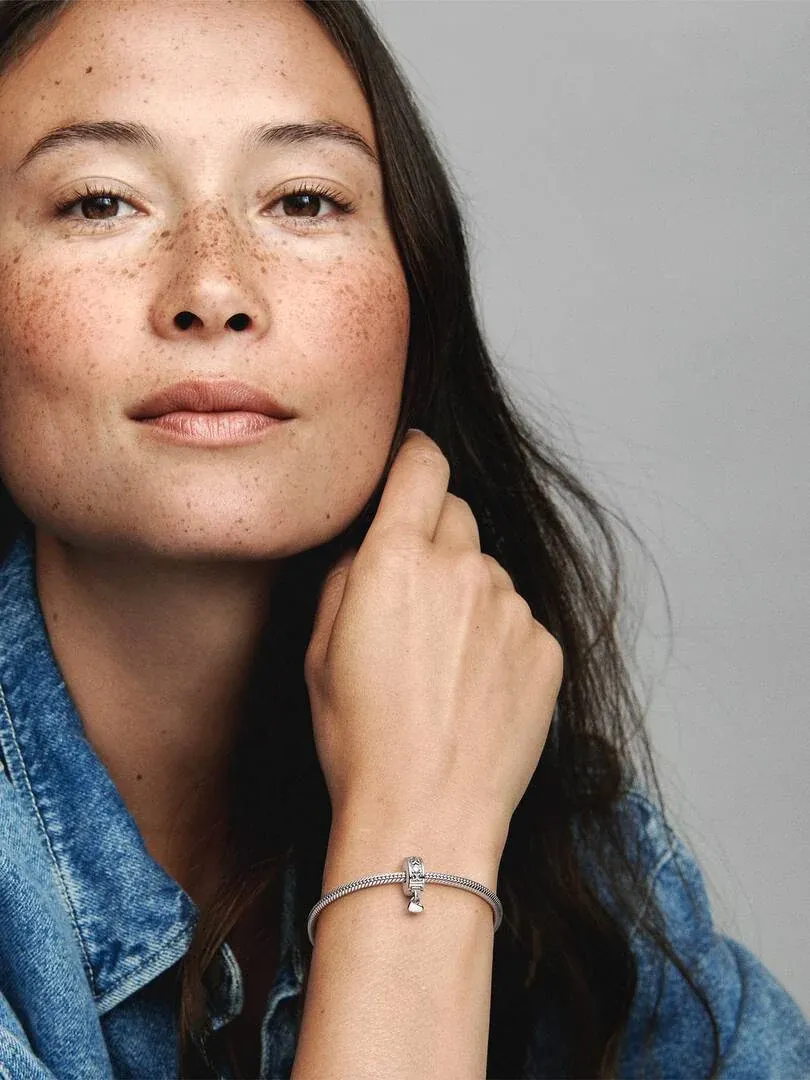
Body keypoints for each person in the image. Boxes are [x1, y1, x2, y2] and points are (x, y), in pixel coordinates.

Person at [0, 1, 807, 1078]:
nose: (214, 289)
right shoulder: (448, 785)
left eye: (304, 200)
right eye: (99, 201)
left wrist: (430, 803)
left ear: (414, 302)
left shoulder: (537, 815)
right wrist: (415, 849)